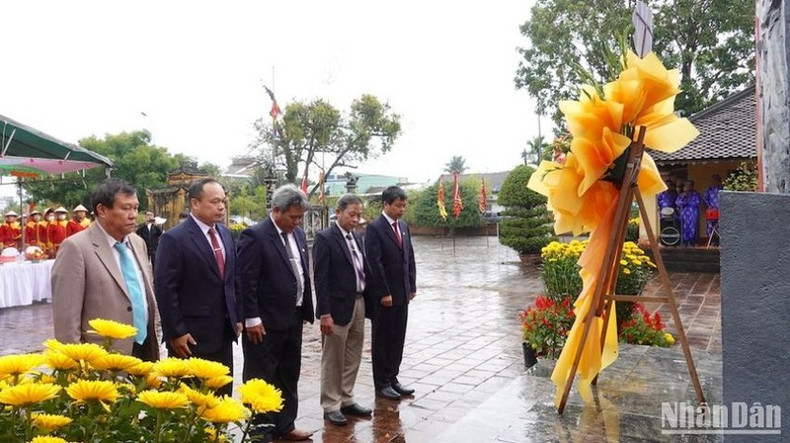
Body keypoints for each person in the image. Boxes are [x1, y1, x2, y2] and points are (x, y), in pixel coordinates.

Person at [237, 184, 315, 441]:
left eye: (300, 217)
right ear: (276, 210)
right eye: (293, 217)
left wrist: (305, 308)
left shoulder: (299, 235)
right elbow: (246, 280)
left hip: (292, 318)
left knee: (289, 372)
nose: (297, 221)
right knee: (262, 375)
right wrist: (251, 317)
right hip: (264, 321)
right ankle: (260, 430)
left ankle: (286, 424)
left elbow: (301, 273)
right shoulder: (255, 235)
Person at [50, 179, 159, 361]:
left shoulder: (137, 243)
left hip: (144, 349)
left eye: (135, 208)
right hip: (102, 357)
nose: (133, 215)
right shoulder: (76, 247)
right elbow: (66, 319)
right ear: (102, 210)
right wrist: (75, 364)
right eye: (125, 208)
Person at [154, 178, 242, 396]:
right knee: (192, 400)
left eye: (223, 201)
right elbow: (166, 289)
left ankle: (218, 431)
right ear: (195, 203)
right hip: (191, 337)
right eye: (214, 202)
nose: (221, 206)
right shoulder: (175, 239)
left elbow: (232, 279)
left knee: (220, 397)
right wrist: (176, 331)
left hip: (223, 331)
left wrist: (237, 315)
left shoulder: (225, 234)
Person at [313, 194, 373, 426]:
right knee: (333, 357)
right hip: (336, 307)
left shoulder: (357, 237)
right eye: (352, 214)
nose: (356, 219)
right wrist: (324, 313)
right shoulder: (325, 238)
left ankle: (347, 398)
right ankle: (331, 404)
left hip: (358, 302)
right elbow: (321, 278)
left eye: (359, 214)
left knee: (353, 353)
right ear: (337, 212)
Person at [365, 186, 416, 400]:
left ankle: (393, 376)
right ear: (385, 204)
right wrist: (384, 292)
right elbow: (374, 264)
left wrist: (411, 286)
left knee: (398, 338)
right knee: (383, 340)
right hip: (384, 297)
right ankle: (382, 382)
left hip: (402, 293)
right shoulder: (375, 228)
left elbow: (409, 258)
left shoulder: (403, 226)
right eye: (398, 206)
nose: (401, 210)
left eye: (404, 205)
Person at [676, 180, 702, 247]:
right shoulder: (681, 195)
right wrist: (683, 197)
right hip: (684, 213)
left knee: (693, 227)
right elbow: (678, 203)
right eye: (686, 185)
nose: (688, 187)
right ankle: (684, 241)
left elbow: (697, 202)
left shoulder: (696, 194)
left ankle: (692, 241)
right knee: (684, 227)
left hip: (693, 212)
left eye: (689, 185)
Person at [703, 174, 723, 246]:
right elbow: (705, 198)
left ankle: (719, 241)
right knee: (710, 225)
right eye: (712, 181)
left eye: (715, 181)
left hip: (721, 210)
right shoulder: (709, 190)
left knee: (720, 226)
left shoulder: (722, 189)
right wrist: (709, 205)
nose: (713, 182)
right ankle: (712, 241)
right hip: (712, 210)